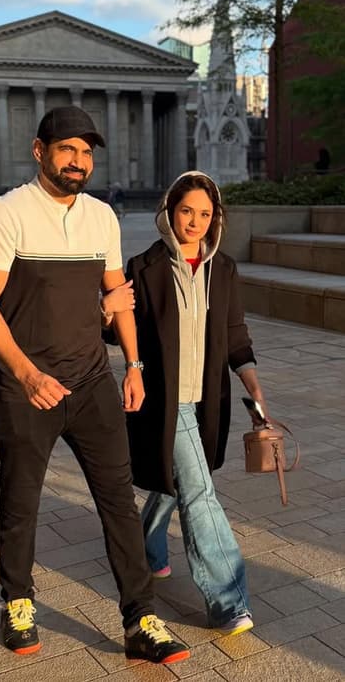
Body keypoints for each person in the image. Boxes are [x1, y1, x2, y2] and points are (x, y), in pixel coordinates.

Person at [0, 106, 190, 664]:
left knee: (118, 501)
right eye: (67, 148)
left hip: (92, 383)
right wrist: (25, 373)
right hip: (28, 387)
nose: (78, 161)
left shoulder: (101, 216)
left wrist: (133, 366)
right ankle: (18, 602)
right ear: (39, 151)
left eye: (87, 152)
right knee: (21, 501)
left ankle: (140, 620)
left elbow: (120, 297)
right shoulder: (7, 213)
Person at [117, 170, 270, 636]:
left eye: (205, 214)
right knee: (200, 493)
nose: (195, 221)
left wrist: (253, 383)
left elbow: (234, 332)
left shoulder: (223, 268)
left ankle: (146, 546)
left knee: (178, 480)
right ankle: (229, 600)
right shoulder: (144, 267)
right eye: (187, 211)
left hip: (209, 400)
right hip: (166, 400)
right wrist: (107, 309)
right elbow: (120, 330)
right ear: (170, 211)